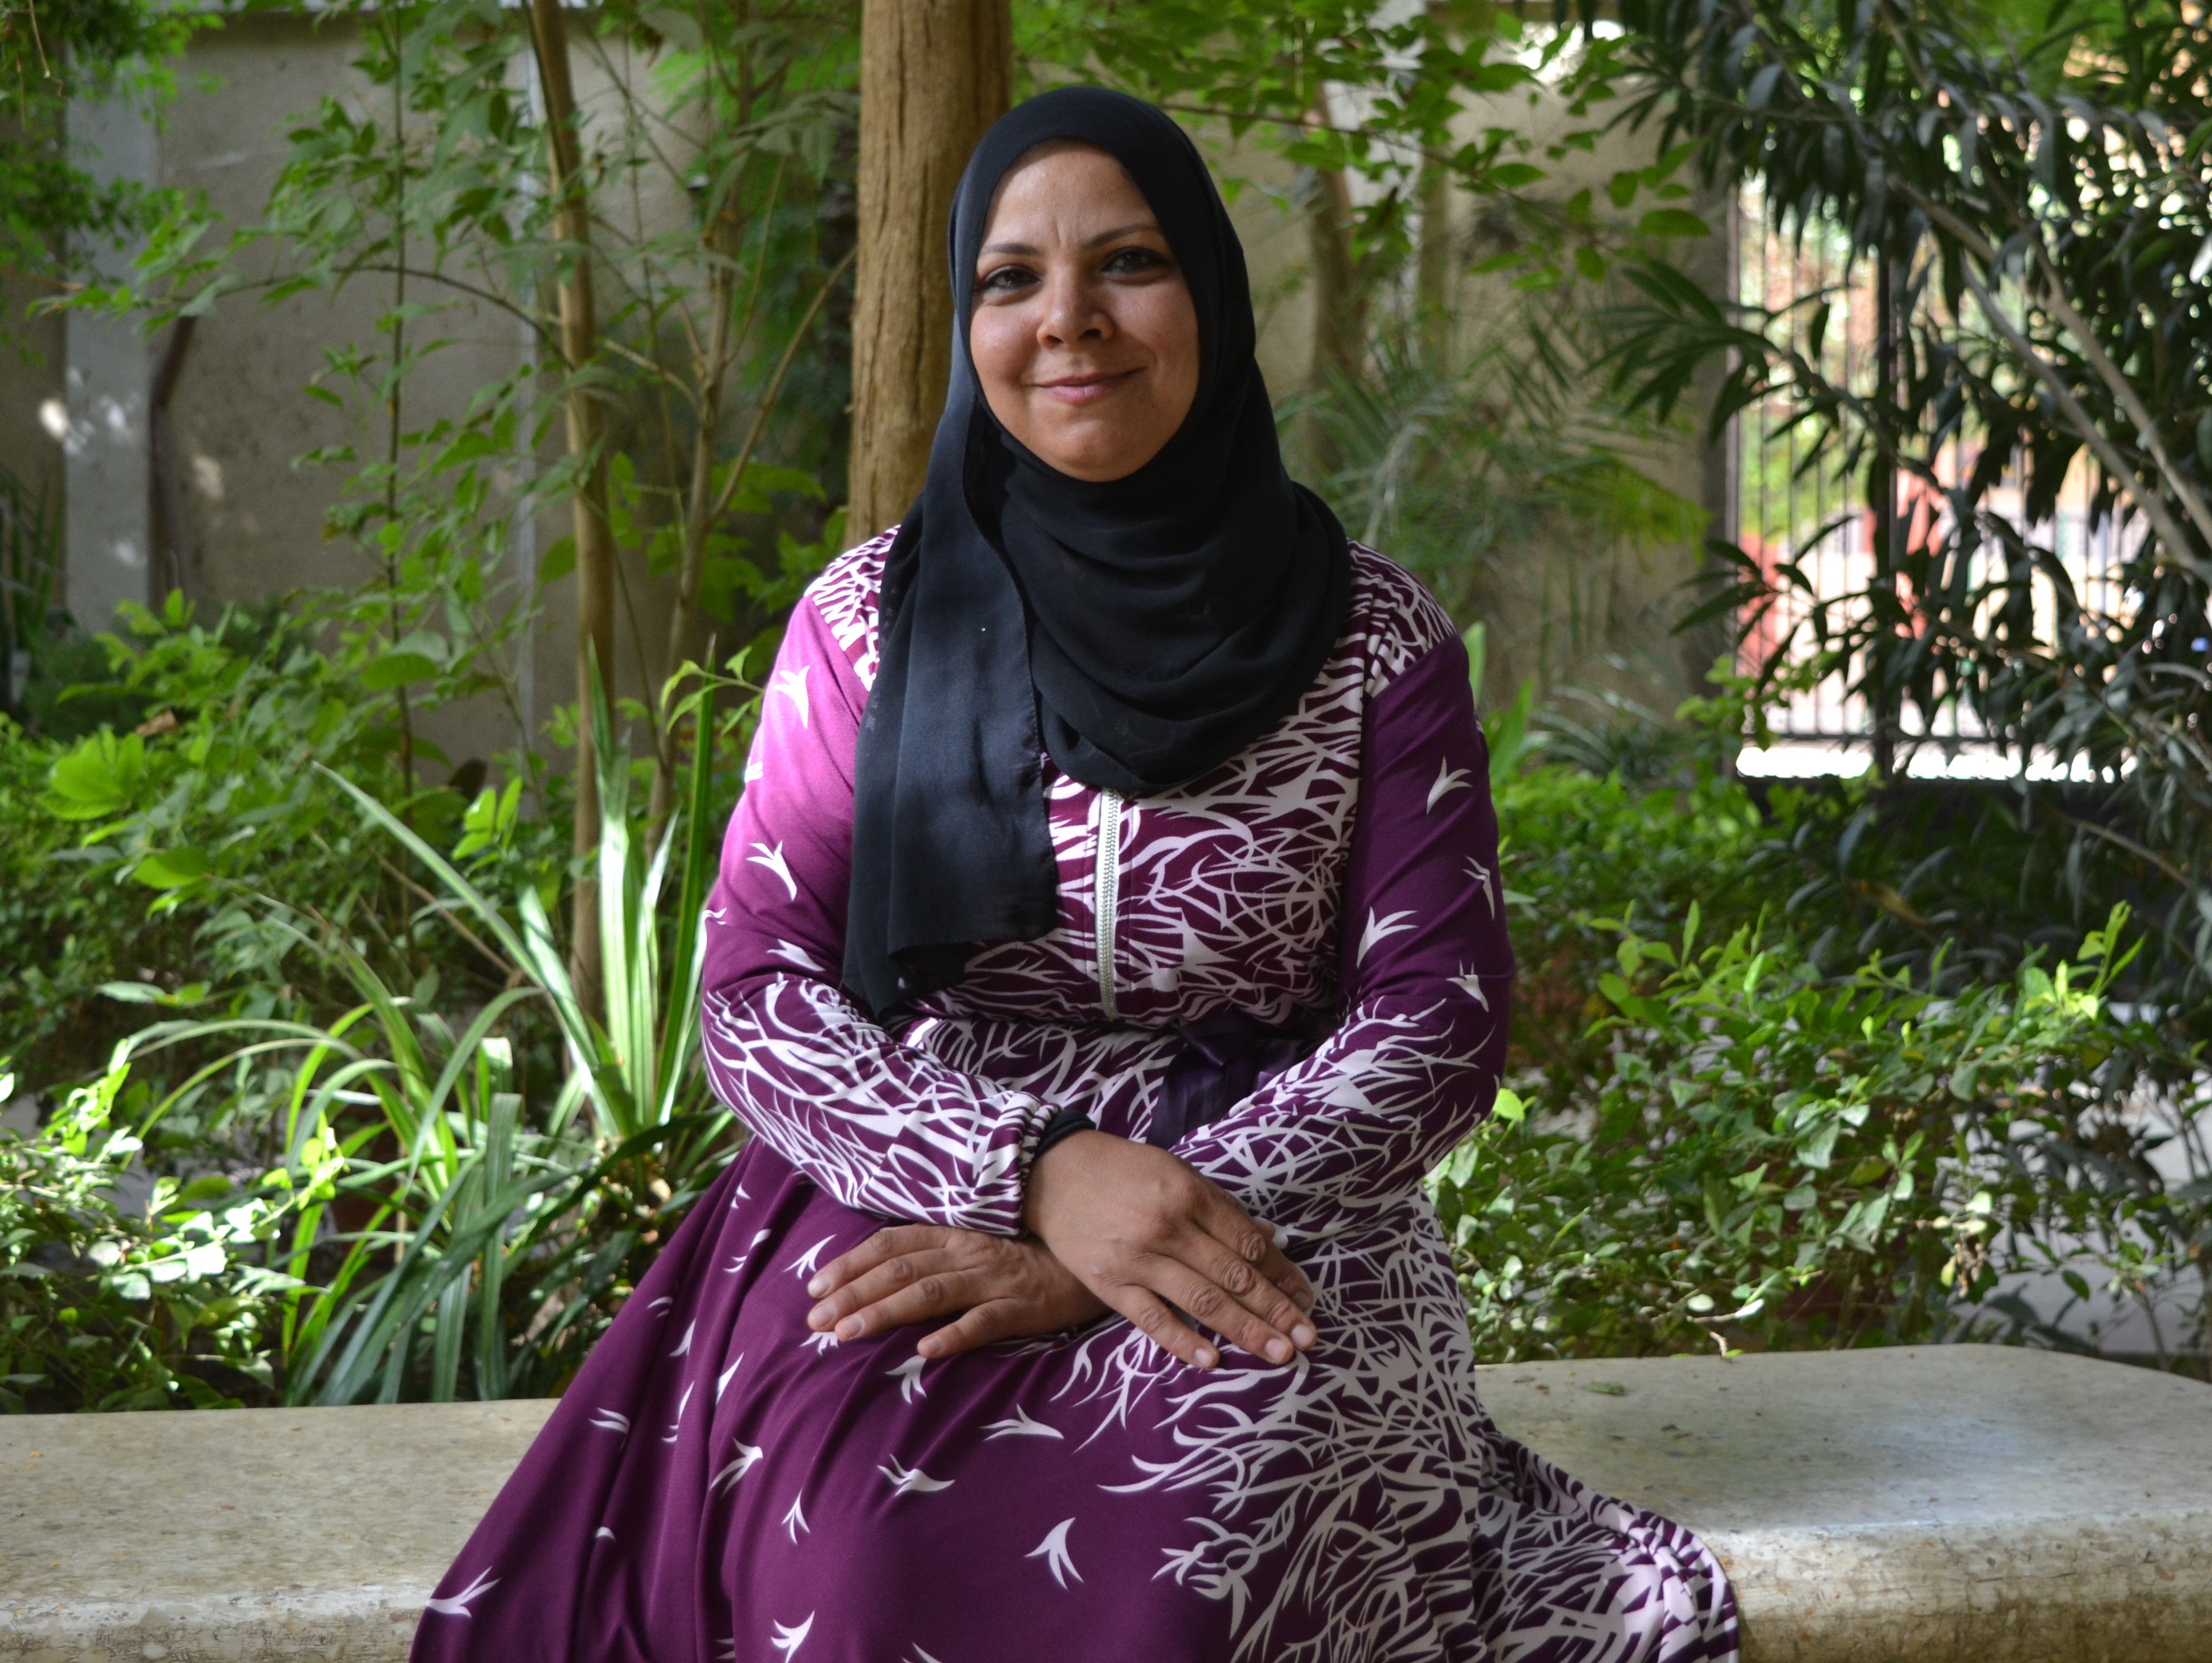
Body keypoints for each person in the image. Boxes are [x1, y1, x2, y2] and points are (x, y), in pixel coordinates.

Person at [412, 86, 1736, 1662]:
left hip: (1275, 1224)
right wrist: (1037, 1177)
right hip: (911, 1196)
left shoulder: (1373, 639)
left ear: (1214, 302)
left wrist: (1147, 1225)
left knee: (1195, 1577)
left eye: (1128, 264)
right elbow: (757, 997)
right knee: (861, 1570)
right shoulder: (864, 628)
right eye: (1011, 278)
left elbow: (1437, 1020)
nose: (1070, 322)